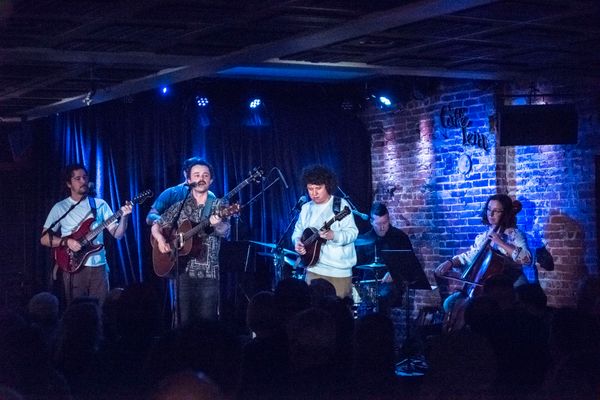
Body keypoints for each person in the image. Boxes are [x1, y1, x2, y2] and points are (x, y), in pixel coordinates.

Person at [434, 194, 531, 330]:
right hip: (486, 286)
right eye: (489, 209)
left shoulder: (514, 234)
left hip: (509, 283)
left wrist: (500, 242)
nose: (491, 214)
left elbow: (526, 260)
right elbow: (470, 256)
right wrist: (450, 262)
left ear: (506, 213)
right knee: (450, 302)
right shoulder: (484, 236)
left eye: (496, 211)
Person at [151, 158, 230, 323]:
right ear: (188, 180)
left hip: (209, 275)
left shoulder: (219, 204)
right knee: (183, 324)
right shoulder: (180, 206)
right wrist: (160, 239)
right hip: (182, 274)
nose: (201, 178)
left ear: (211, 180)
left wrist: (218, 223)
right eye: (196, 175)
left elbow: (225, 231)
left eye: (205, 175)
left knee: (207, 325)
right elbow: (156, 224)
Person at [40, 163, 132, 305]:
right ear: (69, 184)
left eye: (85, 177)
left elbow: (117, 234)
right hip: (73, 266)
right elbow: (44, 239)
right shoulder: (60, 207)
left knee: (101, 310)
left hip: (99, 266)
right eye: (77, 178)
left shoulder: (100, 204)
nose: (83, 181)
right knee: (77, 310)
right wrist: (67, 242)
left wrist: (124, 217)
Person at [292, 165, 358, 299]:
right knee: (313, 309)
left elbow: (353, 233)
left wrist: (334, 235)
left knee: (338, 309)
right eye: (310, 189)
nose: (314, 193)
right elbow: (297, 231)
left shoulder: (340, 205)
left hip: (338, 271)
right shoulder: (306, 208)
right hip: (313, 269)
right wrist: (297, 242)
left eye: (318, 188)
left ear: (327, 186)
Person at [356, 201, 414, 314]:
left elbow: (410, 263)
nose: (382, 227)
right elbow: (357, 265)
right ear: (371, 222)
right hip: (368, 284)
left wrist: (394, 273)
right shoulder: (363, 240)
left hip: (393, 285)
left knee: (382, 297)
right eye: (378, 224)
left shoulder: (400, 237)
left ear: (389, 219)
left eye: (385, 223)